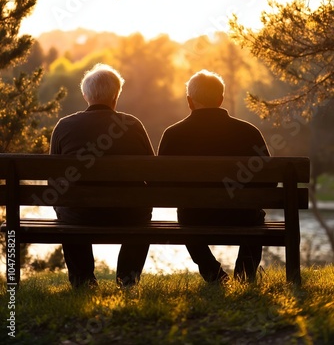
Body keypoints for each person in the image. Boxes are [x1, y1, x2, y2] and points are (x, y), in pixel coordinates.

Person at [158, 69, 270, 283]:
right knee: (257, 216)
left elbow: (160, 183)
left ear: (189, 101)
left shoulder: (173, 135)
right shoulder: (249, 132)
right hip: (242, 217)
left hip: (195, 216)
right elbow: (268, 181)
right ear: (221, 99)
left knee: (185, 218)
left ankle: (213, 273)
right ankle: (244, 275)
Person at [50, 63, 154, 289]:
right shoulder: (132, 125)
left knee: (68, 207)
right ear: (116, 96)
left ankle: (82, 279)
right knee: (141, 212)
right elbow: (152, 173)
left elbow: (54, 178)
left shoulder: (64, 126)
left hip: (79, 214)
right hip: (128, 215)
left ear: (86, 95)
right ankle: (127, 279)